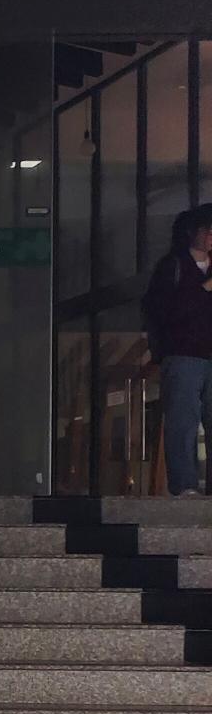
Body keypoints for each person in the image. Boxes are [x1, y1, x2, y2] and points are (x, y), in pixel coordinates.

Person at [146, 203, 212, 495]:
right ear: (192, 232)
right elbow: (166, 311)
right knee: (183, 422)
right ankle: (184, 486)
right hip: (183, 355)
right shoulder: (172, 266)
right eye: (208, 230)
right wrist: (205, 288)